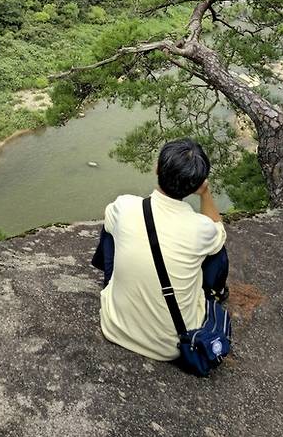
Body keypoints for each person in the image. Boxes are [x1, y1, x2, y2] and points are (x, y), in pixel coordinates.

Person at [92, 137, 228, 362]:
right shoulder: (200, 228)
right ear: (196, 184)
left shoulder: (125, 205)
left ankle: (112, 284)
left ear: (157, 168)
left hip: (114, 326)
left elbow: (109, 225)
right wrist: (205, 193)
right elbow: (218, 230)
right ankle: (215, 291)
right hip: (170, 346)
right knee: (216, 247)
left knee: (111, 227)